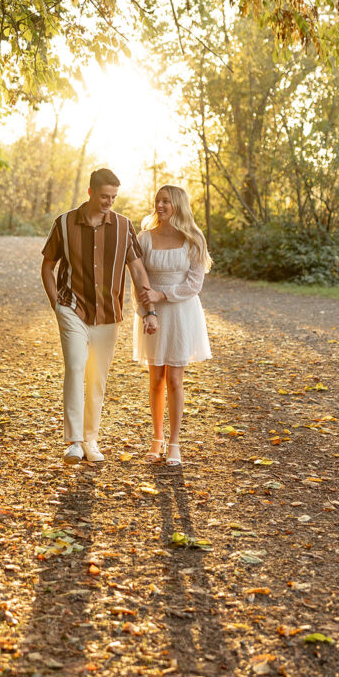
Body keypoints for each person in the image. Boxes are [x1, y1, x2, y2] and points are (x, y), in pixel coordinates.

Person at [41, 168, 158, 464]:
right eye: (104, 196)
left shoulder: (123, 226)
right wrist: (57, 304)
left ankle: (90, 439)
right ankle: (74, 442)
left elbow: (137, 268)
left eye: (114, 197)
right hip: (72, 308)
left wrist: (149, 309)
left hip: (108, 313)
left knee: (97, 379)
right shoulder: (65, 224)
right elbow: (47, 266)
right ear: (90, 192)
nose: (109, 202)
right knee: (76, 367)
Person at [134, 186, 212, 468]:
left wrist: (162, 295)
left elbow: (194, 284)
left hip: (180, 312)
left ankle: (175, 442)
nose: (160, 205)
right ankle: (157, 439)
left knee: (174, 380)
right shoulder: (143, 238)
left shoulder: (193, 239)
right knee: (155, 379)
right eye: (157, 200)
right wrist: (147, 311)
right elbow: (137, 278)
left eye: (166, 201)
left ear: (178, 205)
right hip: (152, 314)